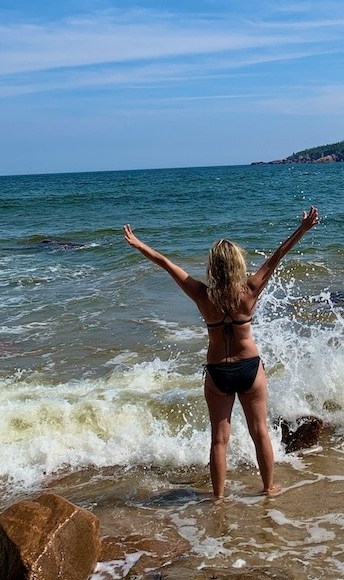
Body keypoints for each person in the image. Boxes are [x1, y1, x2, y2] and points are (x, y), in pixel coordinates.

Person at [123, 207, 319, 500]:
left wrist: (140, 245)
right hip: (250, 369)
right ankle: (268, 488)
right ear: (238, 264)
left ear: (213, 267)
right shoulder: (250, 290)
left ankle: (218, 497)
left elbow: (165, 263)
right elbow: (277, 256)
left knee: (219, 440)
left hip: (218, 373)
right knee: (260, 432)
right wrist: (301, 230)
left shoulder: (203, 295)